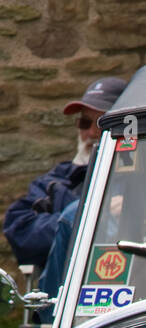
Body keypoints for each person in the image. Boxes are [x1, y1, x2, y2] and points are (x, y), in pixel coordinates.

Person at [2, 77, 126, 269]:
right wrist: (89, 213)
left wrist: (134, 211)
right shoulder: (57, 181)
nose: (92, 133)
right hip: (69, 289)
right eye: (85, 123)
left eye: (103, 123)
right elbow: (20, 232)